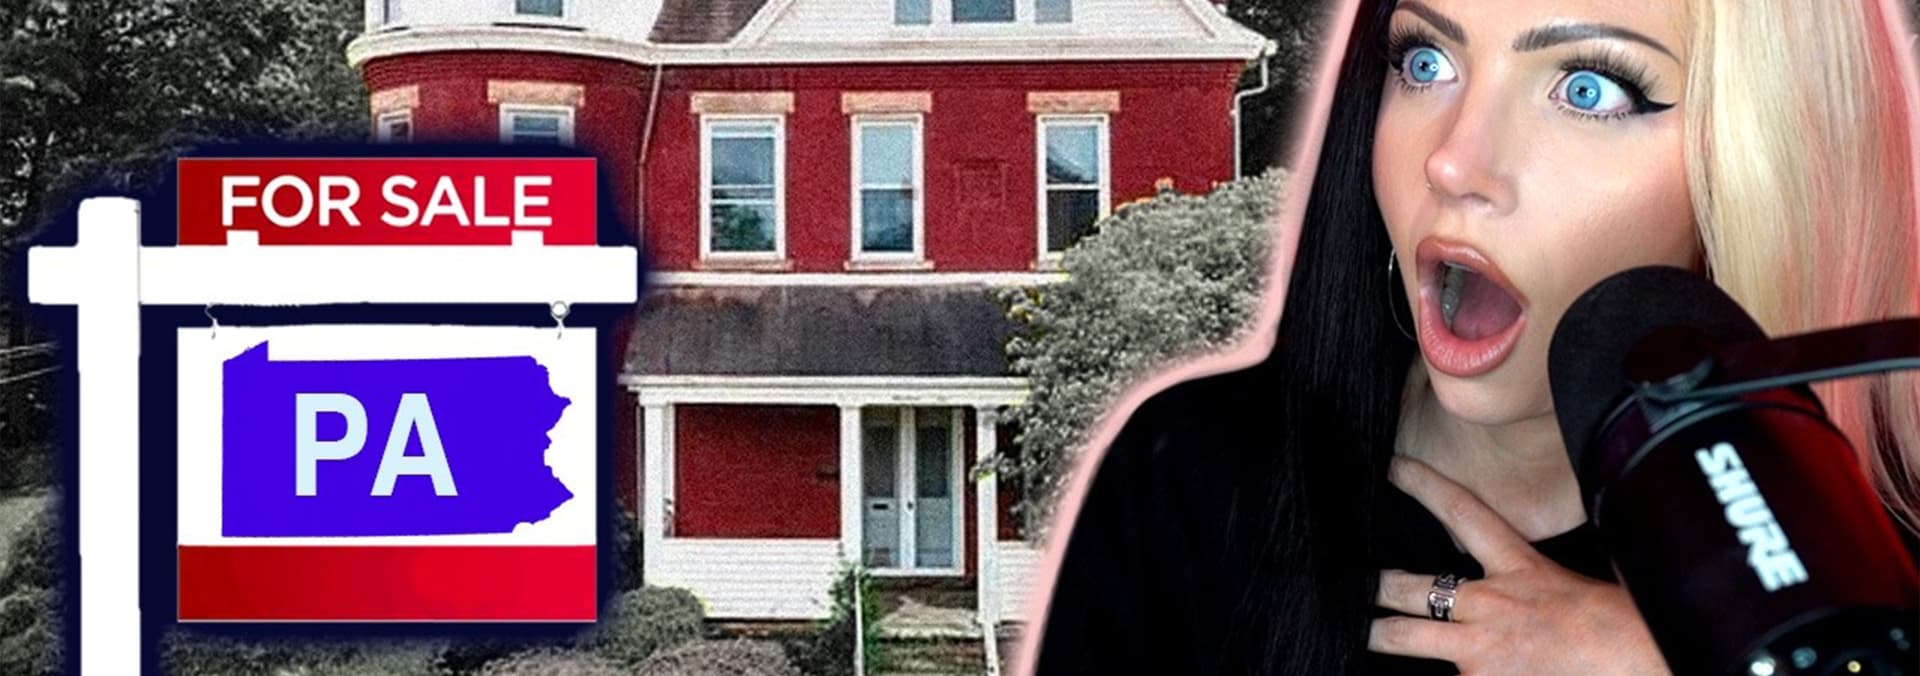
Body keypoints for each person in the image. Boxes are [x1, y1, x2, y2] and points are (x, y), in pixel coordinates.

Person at [1026, 0, 1920, 673]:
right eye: (1425, 61)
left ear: (1763, 161)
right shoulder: (1183, 476)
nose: (1451, 160)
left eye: (1589, 88)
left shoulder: (1889, 559)